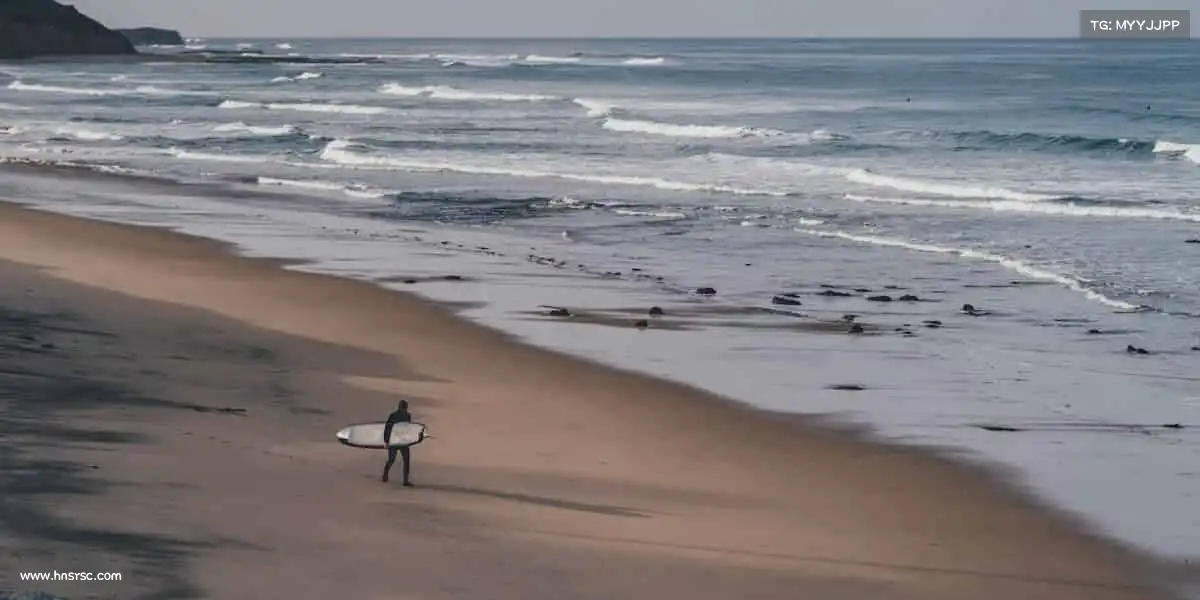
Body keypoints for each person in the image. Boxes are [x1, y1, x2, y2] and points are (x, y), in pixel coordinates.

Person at [382, 400, 417, 486]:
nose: (404, 410)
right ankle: (385, 474)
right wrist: (386, 441)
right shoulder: (393, 416)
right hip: (394, 441)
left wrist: (410, 439)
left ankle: (405, 480)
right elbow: (388, 428)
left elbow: (408, 429)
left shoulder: (408, 416)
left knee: (406, 461)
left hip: (403, 441)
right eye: (403, 408)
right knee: (391, 459)